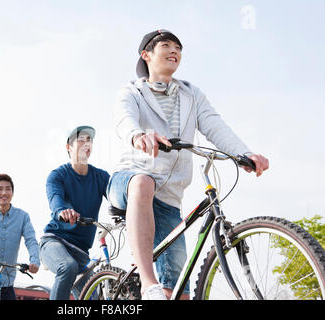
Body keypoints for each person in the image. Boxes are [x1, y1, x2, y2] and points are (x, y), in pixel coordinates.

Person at [107, 29, 269, 300]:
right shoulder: (131, 91)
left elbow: (215, 125)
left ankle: (162, 291)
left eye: (179, 48)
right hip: (129, 180)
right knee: (143, 182)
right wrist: (138, 135)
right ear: (146, 55)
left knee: (178, 290)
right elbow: (125, 119)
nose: (175, 51)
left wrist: (244, 153)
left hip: (169, 198)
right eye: (166, 45)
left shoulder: (191, 94)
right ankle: (148, 284)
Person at [39, 125, 110, 300]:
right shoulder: (58, 175)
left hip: (81, 252)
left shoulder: (101, 177)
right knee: (67, 267)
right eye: (81, 140)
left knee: (94, 298)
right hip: (54, 241)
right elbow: (55, 199)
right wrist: (62, 211)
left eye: (89, 140)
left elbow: (116, 197)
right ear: (68, 147)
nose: (86, 143)